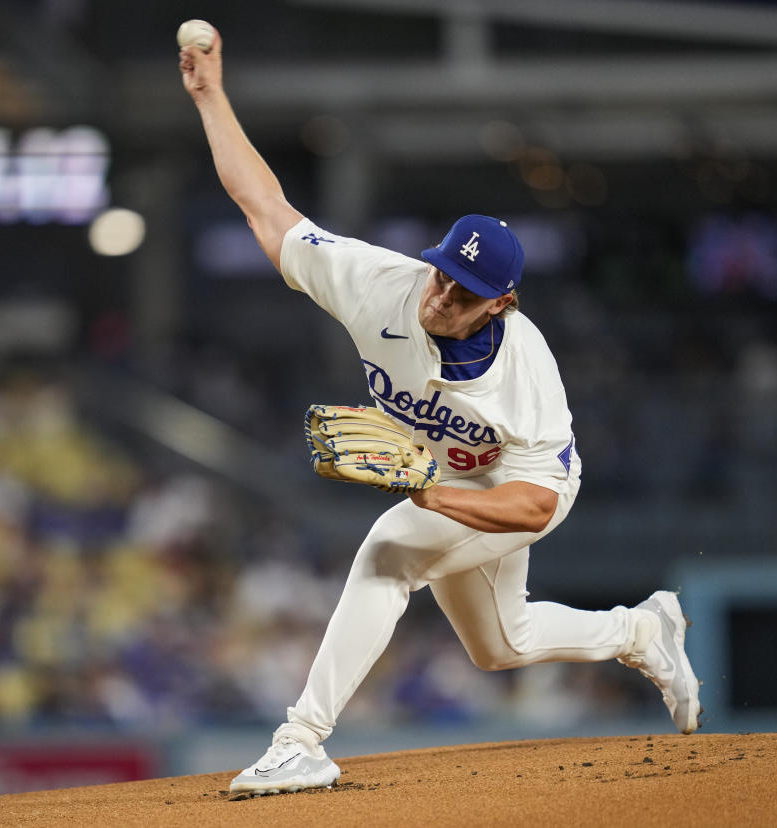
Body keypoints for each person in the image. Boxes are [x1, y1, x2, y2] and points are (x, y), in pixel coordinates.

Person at [179, 26, 702, 797]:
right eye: (442, 273)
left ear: (503, 303)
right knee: (501, 642)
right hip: (446, 476)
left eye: (464, 292)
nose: (442, 295)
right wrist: (211, 97)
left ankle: (302, 740)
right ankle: (640, 629)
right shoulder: (380, 283)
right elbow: (265, 207)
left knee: (389, 552)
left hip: (514, 486)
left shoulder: (526, 372)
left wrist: (431, 494)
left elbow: (533, 506)